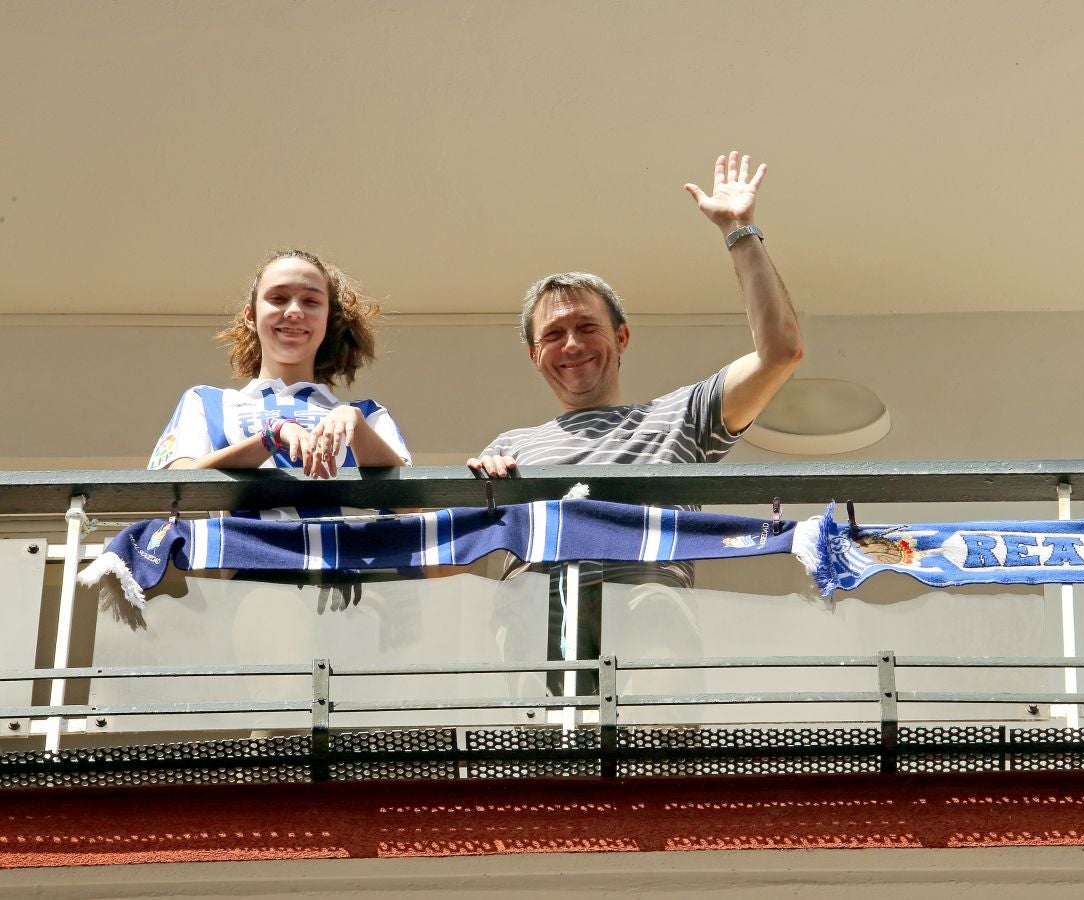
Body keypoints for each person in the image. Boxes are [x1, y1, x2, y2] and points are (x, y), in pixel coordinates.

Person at [467, 150, 804, 691]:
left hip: (649, 631)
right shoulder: (512, 444)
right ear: (535, 355)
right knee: (540, 767)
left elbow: (780, 353)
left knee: (655, 746)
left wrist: (740, 231)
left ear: (621, 338)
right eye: (553, 334)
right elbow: (459, 540)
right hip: (536, 638)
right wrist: (487, 490)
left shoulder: (678, 417)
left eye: (586, 327)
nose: (571, 344)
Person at [150, 249, 411, 517]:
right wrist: (270, 436)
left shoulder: (368, 414)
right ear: (250, 316)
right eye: (278, 298)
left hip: (352, 555)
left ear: (328, 320)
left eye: (311, 301)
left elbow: (411, 504)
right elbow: (175, 488)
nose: (295, 311)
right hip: (246, 555)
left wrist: (356, 424)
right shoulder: (207, 403)